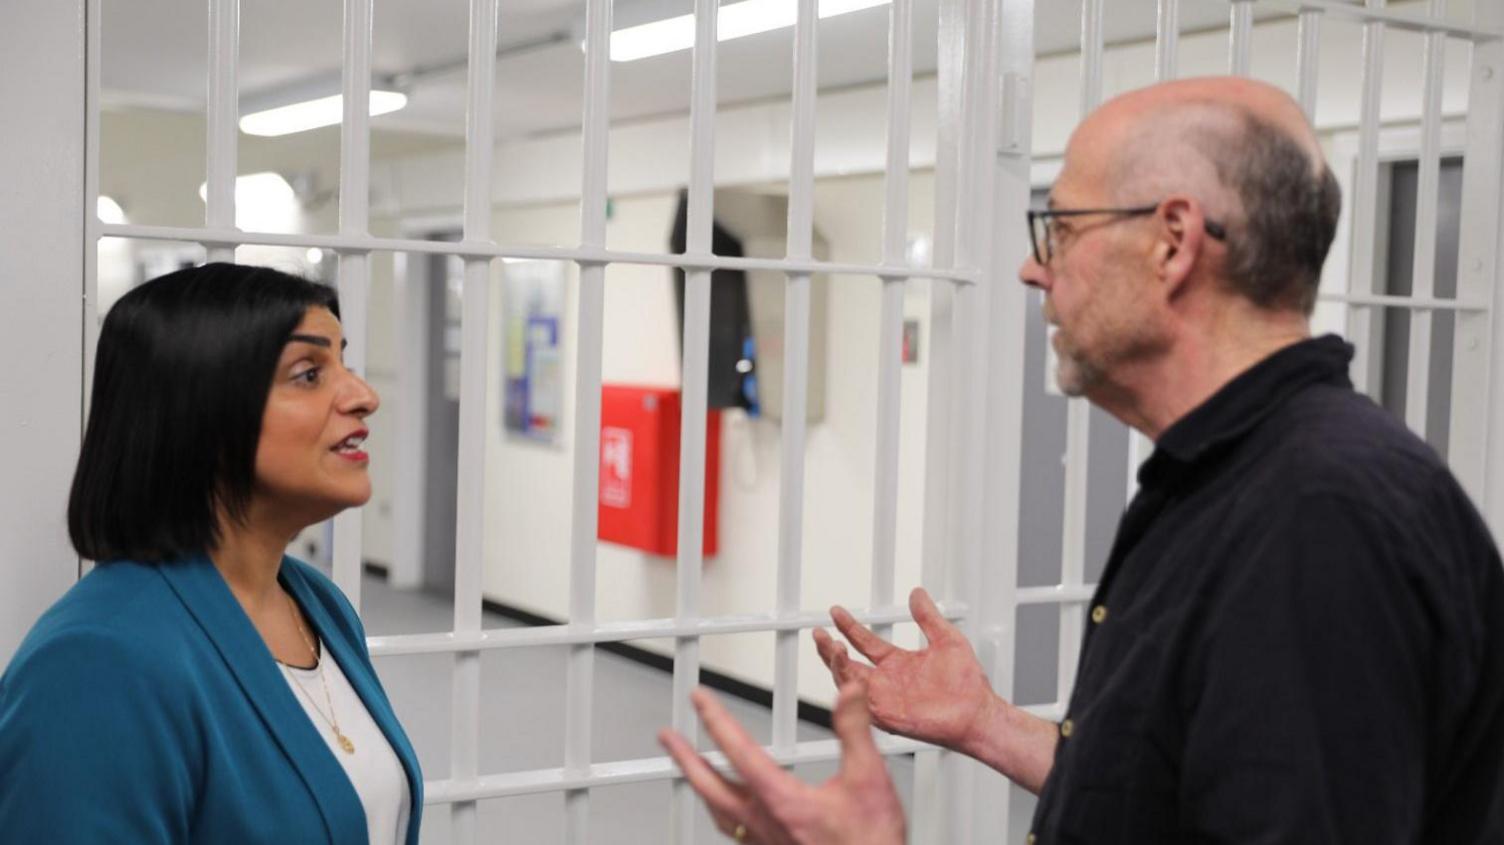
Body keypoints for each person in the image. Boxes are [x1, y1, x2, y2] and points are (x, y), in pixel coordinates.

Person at [660, 75, 1504, 843]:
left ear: (1172, 240)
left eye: (1059, 227)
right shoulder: (1234, 479)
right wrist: (985, 720)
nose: (1034, 269)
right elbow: (1167, 801)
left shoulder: (1317, 522)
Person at [0, 263, 423, 844]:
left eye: (343, 364)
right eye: (308, 373)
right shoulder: (98, 662)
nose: (363, 395)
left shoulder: (315, 601)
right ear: (201, 408)